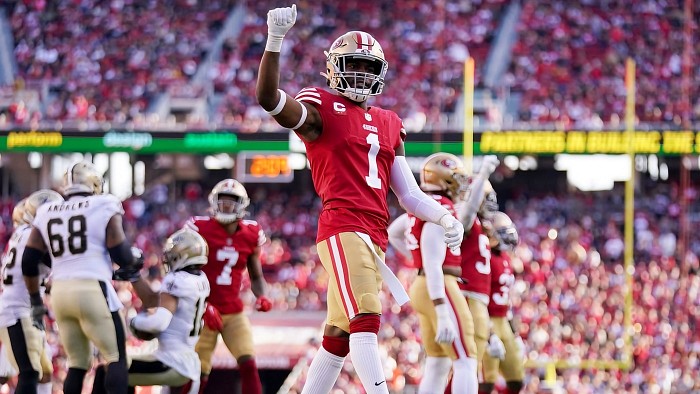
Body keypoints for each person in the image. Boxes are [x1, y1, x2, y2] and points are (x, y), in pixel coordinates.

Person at [256, 6, 464, 393]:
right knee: (367, 317)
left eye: (368, 68)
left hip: (376, 232)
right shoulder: (323, 107)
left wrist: (444, 218)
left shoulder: (389, 123)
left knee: (337, 335)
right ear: (334, 67)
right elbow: (269, 99)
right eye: (353, 65)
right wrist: (275, 40)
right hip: (343, 225)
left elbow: (409, 194)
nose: (361, 74)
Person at [22, 162, 140, 394]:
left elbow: (29, 260)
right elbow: (120, 253)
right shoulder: (104, 203)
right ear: (95, 183)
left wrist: (37, 300)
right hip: (93, 288)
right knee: (116, 358)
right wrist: (133, 261)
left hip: (60, 293)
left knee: (77, 363)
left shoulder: (47, 210)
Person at [388, 153, 479, 394]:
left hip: (423, 283)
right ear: (444, 179)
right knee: (466, 359)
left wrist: (413, 257)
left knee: (438, 364)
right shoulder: (441, 208)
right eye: (456, 178)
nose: (461, 184)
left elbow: (394, 232)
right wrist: (442, 309)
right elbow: (433, 262)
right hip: (438, 285)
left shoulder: (422, 205)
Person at [92, 228, 211, 394]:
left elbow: (158, 323)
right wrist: (135, 276)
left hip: (172, 362)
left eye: (173, 255)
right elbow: (155, 301)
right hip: (187, 362)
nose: (168, 259)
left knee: (108, 372)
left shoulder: (177, 280)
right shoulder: (200, 280)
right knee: (122, 370)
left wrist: (132, 321)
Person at [184, 179, 270, 394]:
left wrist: (262, 296)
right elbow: (184, 273)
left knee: (249, 362)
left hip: (233, 310)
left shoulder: (251, 233)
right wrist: (202, 306)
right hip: (203, 312)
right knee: (197, 372)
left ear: (242, 205)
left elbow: (256, 275)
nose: (226, 206)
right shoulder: (198, 228)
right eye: (222, 201)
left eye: (232, 202)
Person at [0, 191, 62, 394]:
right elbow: (55, 264)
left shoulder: (22, 234)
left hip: (20, 308)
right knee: (29, 372)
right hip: (18, 311)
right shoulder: (35, 236)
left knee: (44, 371)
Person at [456, 156, 503, 369]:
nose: (490, 201)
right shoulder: (466, 220)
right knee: (464, 364)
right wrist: (482, 174)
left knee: (471, 365)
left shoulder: (483, 228)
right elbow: (467, 211)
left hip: (478, 301)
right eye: (486, 196)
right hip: (466, 295)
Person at [480, 212, 524, 394]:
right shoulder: (485, 256)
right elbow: (479, 297)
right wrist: (488, 331)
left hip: (503, 321)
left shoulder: (506, 258)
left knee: (516, 380)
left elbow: (507, 298)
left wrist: (515, 332)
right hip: (486, 319)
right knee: (486, 383)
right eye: (503, 232)